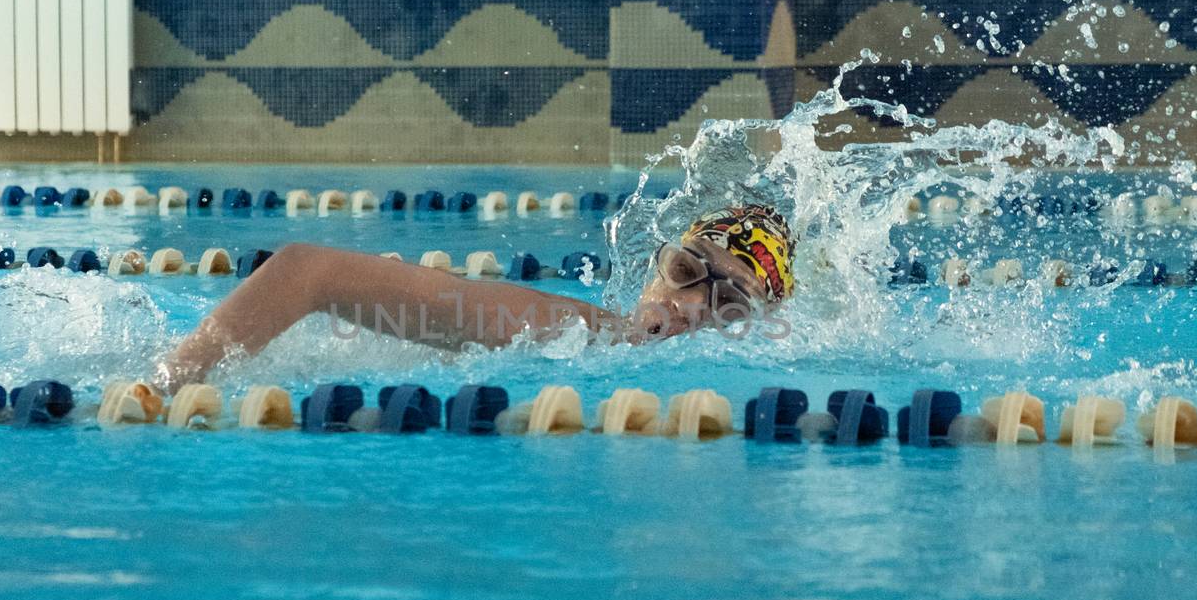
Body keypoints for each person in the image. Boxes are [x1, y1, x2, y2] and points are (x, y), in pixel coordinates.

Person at [157, 203, 796, 388]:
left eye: (730, 305)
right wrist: (169, 382)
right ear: (656, 266)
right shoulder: (561, 330)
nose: (690, 307)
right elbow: (303, 272)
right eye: (687, 269)